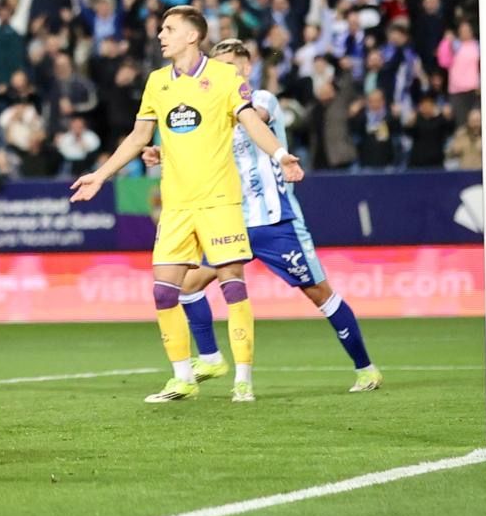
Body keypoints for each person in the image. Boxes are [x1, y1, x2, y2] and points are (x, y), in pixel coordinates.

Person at [69, 6, 302, 404]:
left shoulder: (225, 77)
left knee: (232, 286)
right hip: (176, 204)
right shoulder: (158, 82)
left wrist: (281, 155)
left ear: (192, 36)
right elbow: (138, 136)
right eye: (161, 29)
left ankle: (243, 378)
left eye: (169, 29)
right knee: (163, 292)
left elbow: (251, 122)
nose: (161, 35)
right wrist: (101, 174)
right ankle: (182, 378)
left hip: (218, 201)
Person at [142, 40, 379, 393]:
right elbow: (203, 142)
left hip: (273, 221)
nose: (221, 70)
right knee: (187, 288)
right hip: (227, 218)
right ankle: (210, 358)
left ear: (246, 68)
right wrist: (167, 150)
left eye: (229, 64)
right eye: (216, 63)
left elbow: (253, 120)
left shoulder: (262, 99)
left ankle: (366, 368)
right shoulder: (212, 105)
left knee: (320, 294)